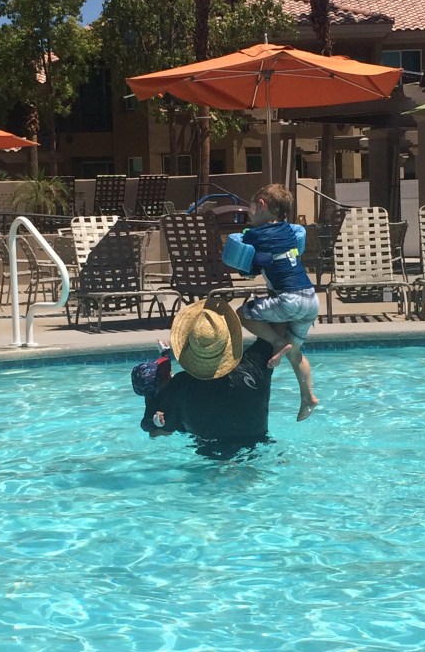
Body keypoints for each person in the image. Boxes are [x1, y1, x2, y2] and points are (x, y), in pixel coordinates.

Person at [133, 297, 274, 459]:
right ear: (228, 337)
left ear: (188, 345)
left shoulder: (180, 385)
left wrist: (151, 400)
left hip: (211, 458)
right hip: (260, 452)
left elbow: (159, 432)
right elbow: (281, 323)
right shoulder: (255, 363)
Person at [236, 183, 319, 422]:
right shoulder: (291, 232)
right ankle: (308, 397)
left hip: (289, 300)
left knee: (242, 313)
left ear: (262, 205)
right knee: (296, 352)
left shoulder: (254, 235)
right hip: (311, 299)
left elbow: (245, 266)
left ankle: (277, 342)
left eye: (251, 207)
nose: (249, 213)